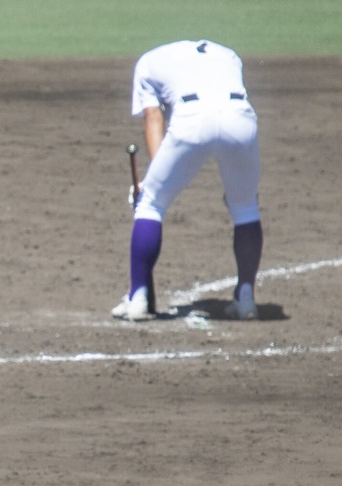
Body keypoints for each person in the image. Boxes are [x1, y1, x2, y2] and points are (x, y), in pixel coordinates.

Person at [112, 39, 263, 321]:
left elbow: (153, 116)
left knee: (151, 204)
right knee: (245, 207)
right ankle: (246, 298)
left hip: (192, 119)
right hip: (240, 118)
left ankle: (139, 298)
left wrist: (152, 182)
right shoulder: (227, 54)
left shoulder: (147, 62)